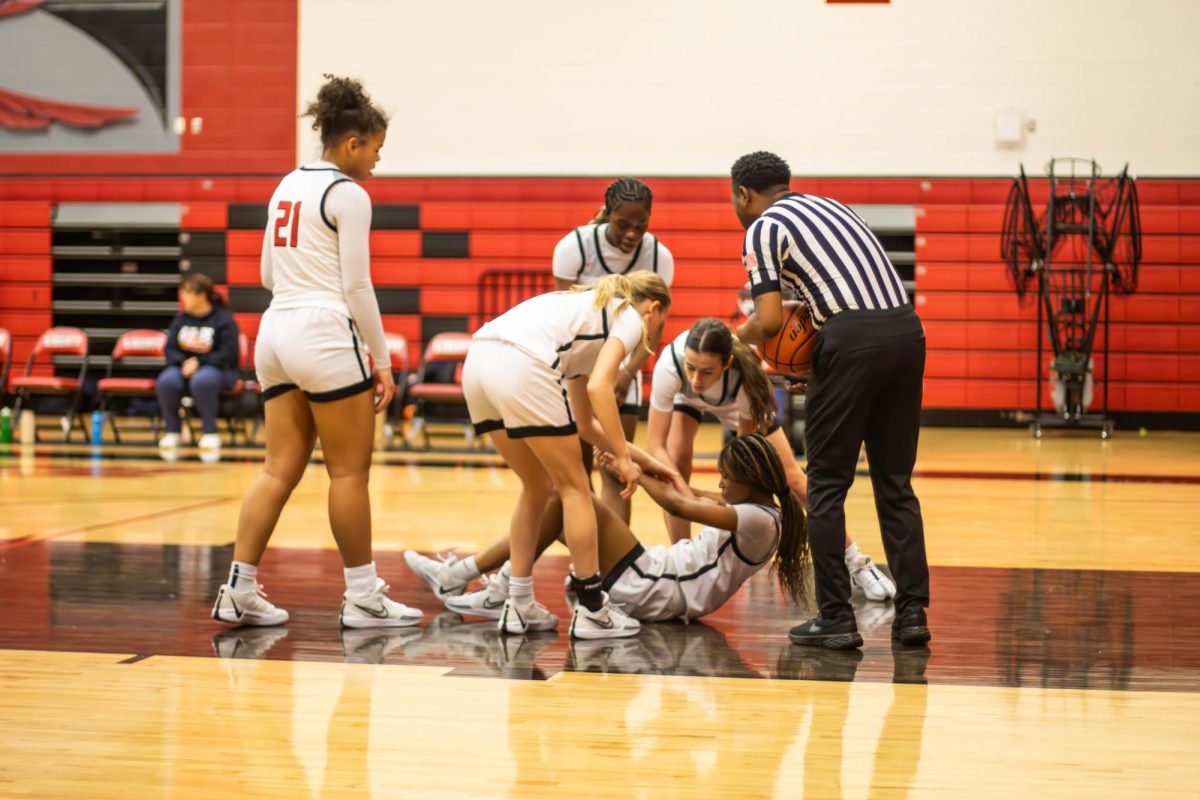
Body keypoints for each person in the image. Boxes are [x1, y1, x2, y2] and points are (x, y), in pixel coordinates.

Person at [211, 75, 419, 629]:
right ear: (352, 143)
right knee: (348, 473)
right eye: (376, 149)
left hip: (274, 329)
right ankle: (362, 596)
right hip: (325, 329)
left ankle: (239, 588)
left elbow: (264, 273)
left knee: (277, 470)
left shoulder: (286, 185)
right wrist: (382, 362)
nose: (377, 160)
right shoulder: (348, 194)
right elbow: (356, 288)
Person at [730, 150, 931, 649]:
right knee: (895, 483)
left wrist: (735, 338)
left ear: (742, 194)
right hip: (906, 332)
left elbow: (772, 322)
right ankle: (912, 615)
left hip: (849, 340)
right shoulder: (837, 209)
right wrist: (819, 367)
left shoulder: (763, 226)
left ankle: (837, 617)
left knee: (826, 484)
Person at [459, 272, 675, 639]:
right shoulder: (628, 316)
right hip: (519, 364)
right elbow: (600, 387)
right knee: (574, 488)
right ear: (654, 308)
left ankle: (519, 602)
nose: (653, 334)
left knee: (536, 485)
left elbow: (586, 425)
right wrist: (623, 460)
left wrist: (641, 459)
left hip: (478, 361)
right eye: (661, 323)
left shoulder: (586, 315)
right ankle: (592, 608)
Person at [405, 433, 808, 626]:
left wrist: (625, 468)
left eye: (726, 477)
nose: (721, 484)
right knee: (559, 504)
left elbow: (676, 503)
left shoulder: (758, 520)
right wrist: (631, 458)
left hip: (657, 587)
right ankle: (489, 583)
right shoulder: (756, 508)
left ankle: (472, 579)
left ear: (751, 480)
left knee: (567, 496)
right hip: (659, 580)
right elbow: (685, 490)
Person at [647, 316, 895, 602]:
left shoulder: (744, 376)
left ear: (726, 364)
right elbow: (655, 444)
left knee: (793, 479)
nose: (695, 379)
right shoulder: (671, 365)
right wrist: (679, 486)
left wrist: (711, 500)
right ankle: (683, 562)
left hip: (740, 404)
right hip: (688, 401)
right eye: (691, 368)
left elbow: (742, 461)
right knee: (674, 464)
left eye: (705, 371)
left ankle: (856, 562)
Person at [551, 178, 675, 523]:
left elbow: (654, 328)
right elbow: (564, 318)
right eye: (623, 224)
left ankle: (616, 561)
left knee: (618, 470)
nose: (633, 233)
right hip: (576, 367)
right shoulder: (574, 246)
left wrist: (625, 374)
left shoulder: (658, 256)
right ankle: (586, 558)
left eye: (642, 225)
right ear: (608, 214)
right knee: (575, 473)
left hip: (625, 370)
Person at [156, 272, 241, 457]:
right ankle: (173, 431)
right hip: (184, 368)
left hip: (219, 370)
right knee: (166, 381)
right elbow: (170, 349)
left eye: (186, 292)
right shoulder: (181, 319)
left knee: (203, 380)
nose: (182, 297)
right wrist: (183, 362)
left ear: (200, 295)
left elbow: (229, 353)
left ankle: (210, 432)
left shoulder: (223, 320)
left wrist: (199, 363)